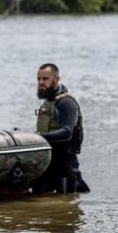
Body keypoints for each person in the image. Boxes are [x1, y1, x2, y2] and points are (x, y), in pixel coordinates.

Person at [31, 63, 89, 194]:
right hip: (46, 163)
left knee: (67, 203)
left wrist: (37, 138)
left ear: (56, 79)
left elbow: (67, 132)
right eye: (38, 79)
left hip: (64, 164)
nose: (41, 82)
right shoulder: (48, 103)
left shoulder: (67, 103)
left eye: (45, 79)